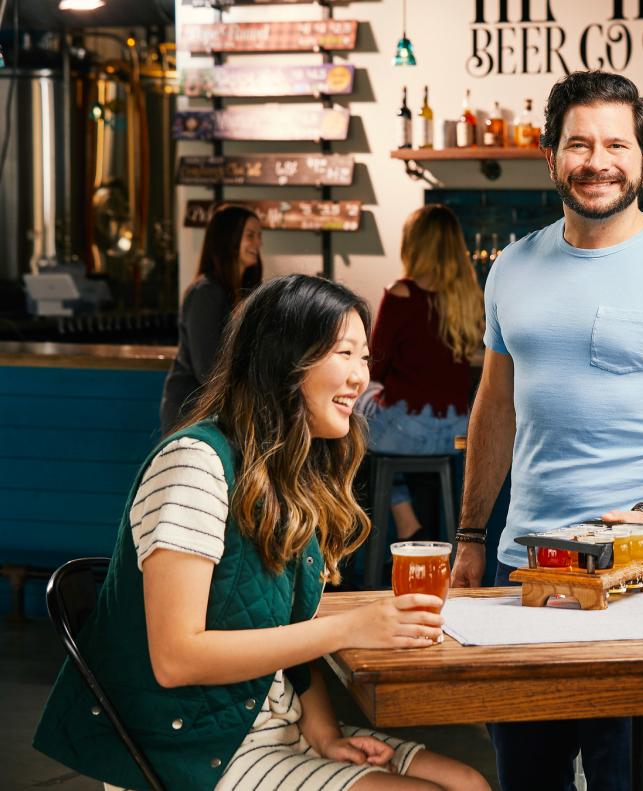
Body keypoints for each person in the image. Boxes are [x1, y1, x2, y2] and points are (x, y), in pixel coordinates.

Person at [35, 275, 489, 791]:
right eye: (345, 353)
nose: (361, 378)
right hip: (195, 748)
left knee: (468, 782)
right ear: (285, 359)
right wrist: (349, 628)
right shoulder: (195, 465)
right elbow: (175, 658)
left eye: (365, 358)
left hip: (275, 725)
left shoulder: (286, 475)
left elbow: (289, 632)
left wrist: (324, 733)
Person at [448, 70, 643, 791]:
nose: (597, 160)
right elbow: (496, 406)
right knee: (526, 775)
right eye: (578, 143)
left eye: (617, 143)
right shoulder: (511, 267)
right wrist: (468, 534)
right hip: (525, 568)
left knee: (629, 778)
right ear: (548, 156)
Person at [356, 205, 483, 541]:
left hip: (408, 428)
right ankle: (412, 516)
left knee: (351, 415)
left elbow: (376, 365)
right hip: (456, 432)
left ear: (414, 245)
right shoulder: (467, 297)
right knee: (368, 427)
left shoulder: (401, 293)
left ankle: (402, 513)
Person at [160, 204, 264, 433]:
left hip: (219, 411)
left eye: (259, 236)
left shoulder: (243, 292)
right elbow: (206, 367)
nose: (258, 243)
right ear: (228, 239)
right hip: (191, 412)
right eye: (250, 235)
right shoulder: (205, 292)